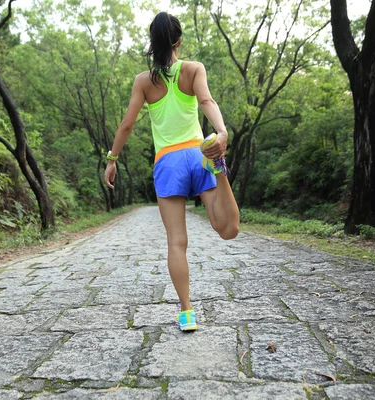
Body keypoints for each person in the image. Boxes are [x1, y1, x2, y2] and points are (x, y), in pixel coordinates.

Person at [104, 12, 240, 332]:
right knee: (226, 229)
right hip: (198, 153)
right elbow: (206, 100)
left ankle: (187, 311)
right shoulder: (193, 70)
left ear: (152, 44)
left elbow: (127, 125)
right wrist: (221, 133)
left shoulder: (143, 81)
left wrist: (112, 158)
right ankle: (220, 170)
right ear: (179, 42)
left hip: (168, 161)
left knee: (177, 243)